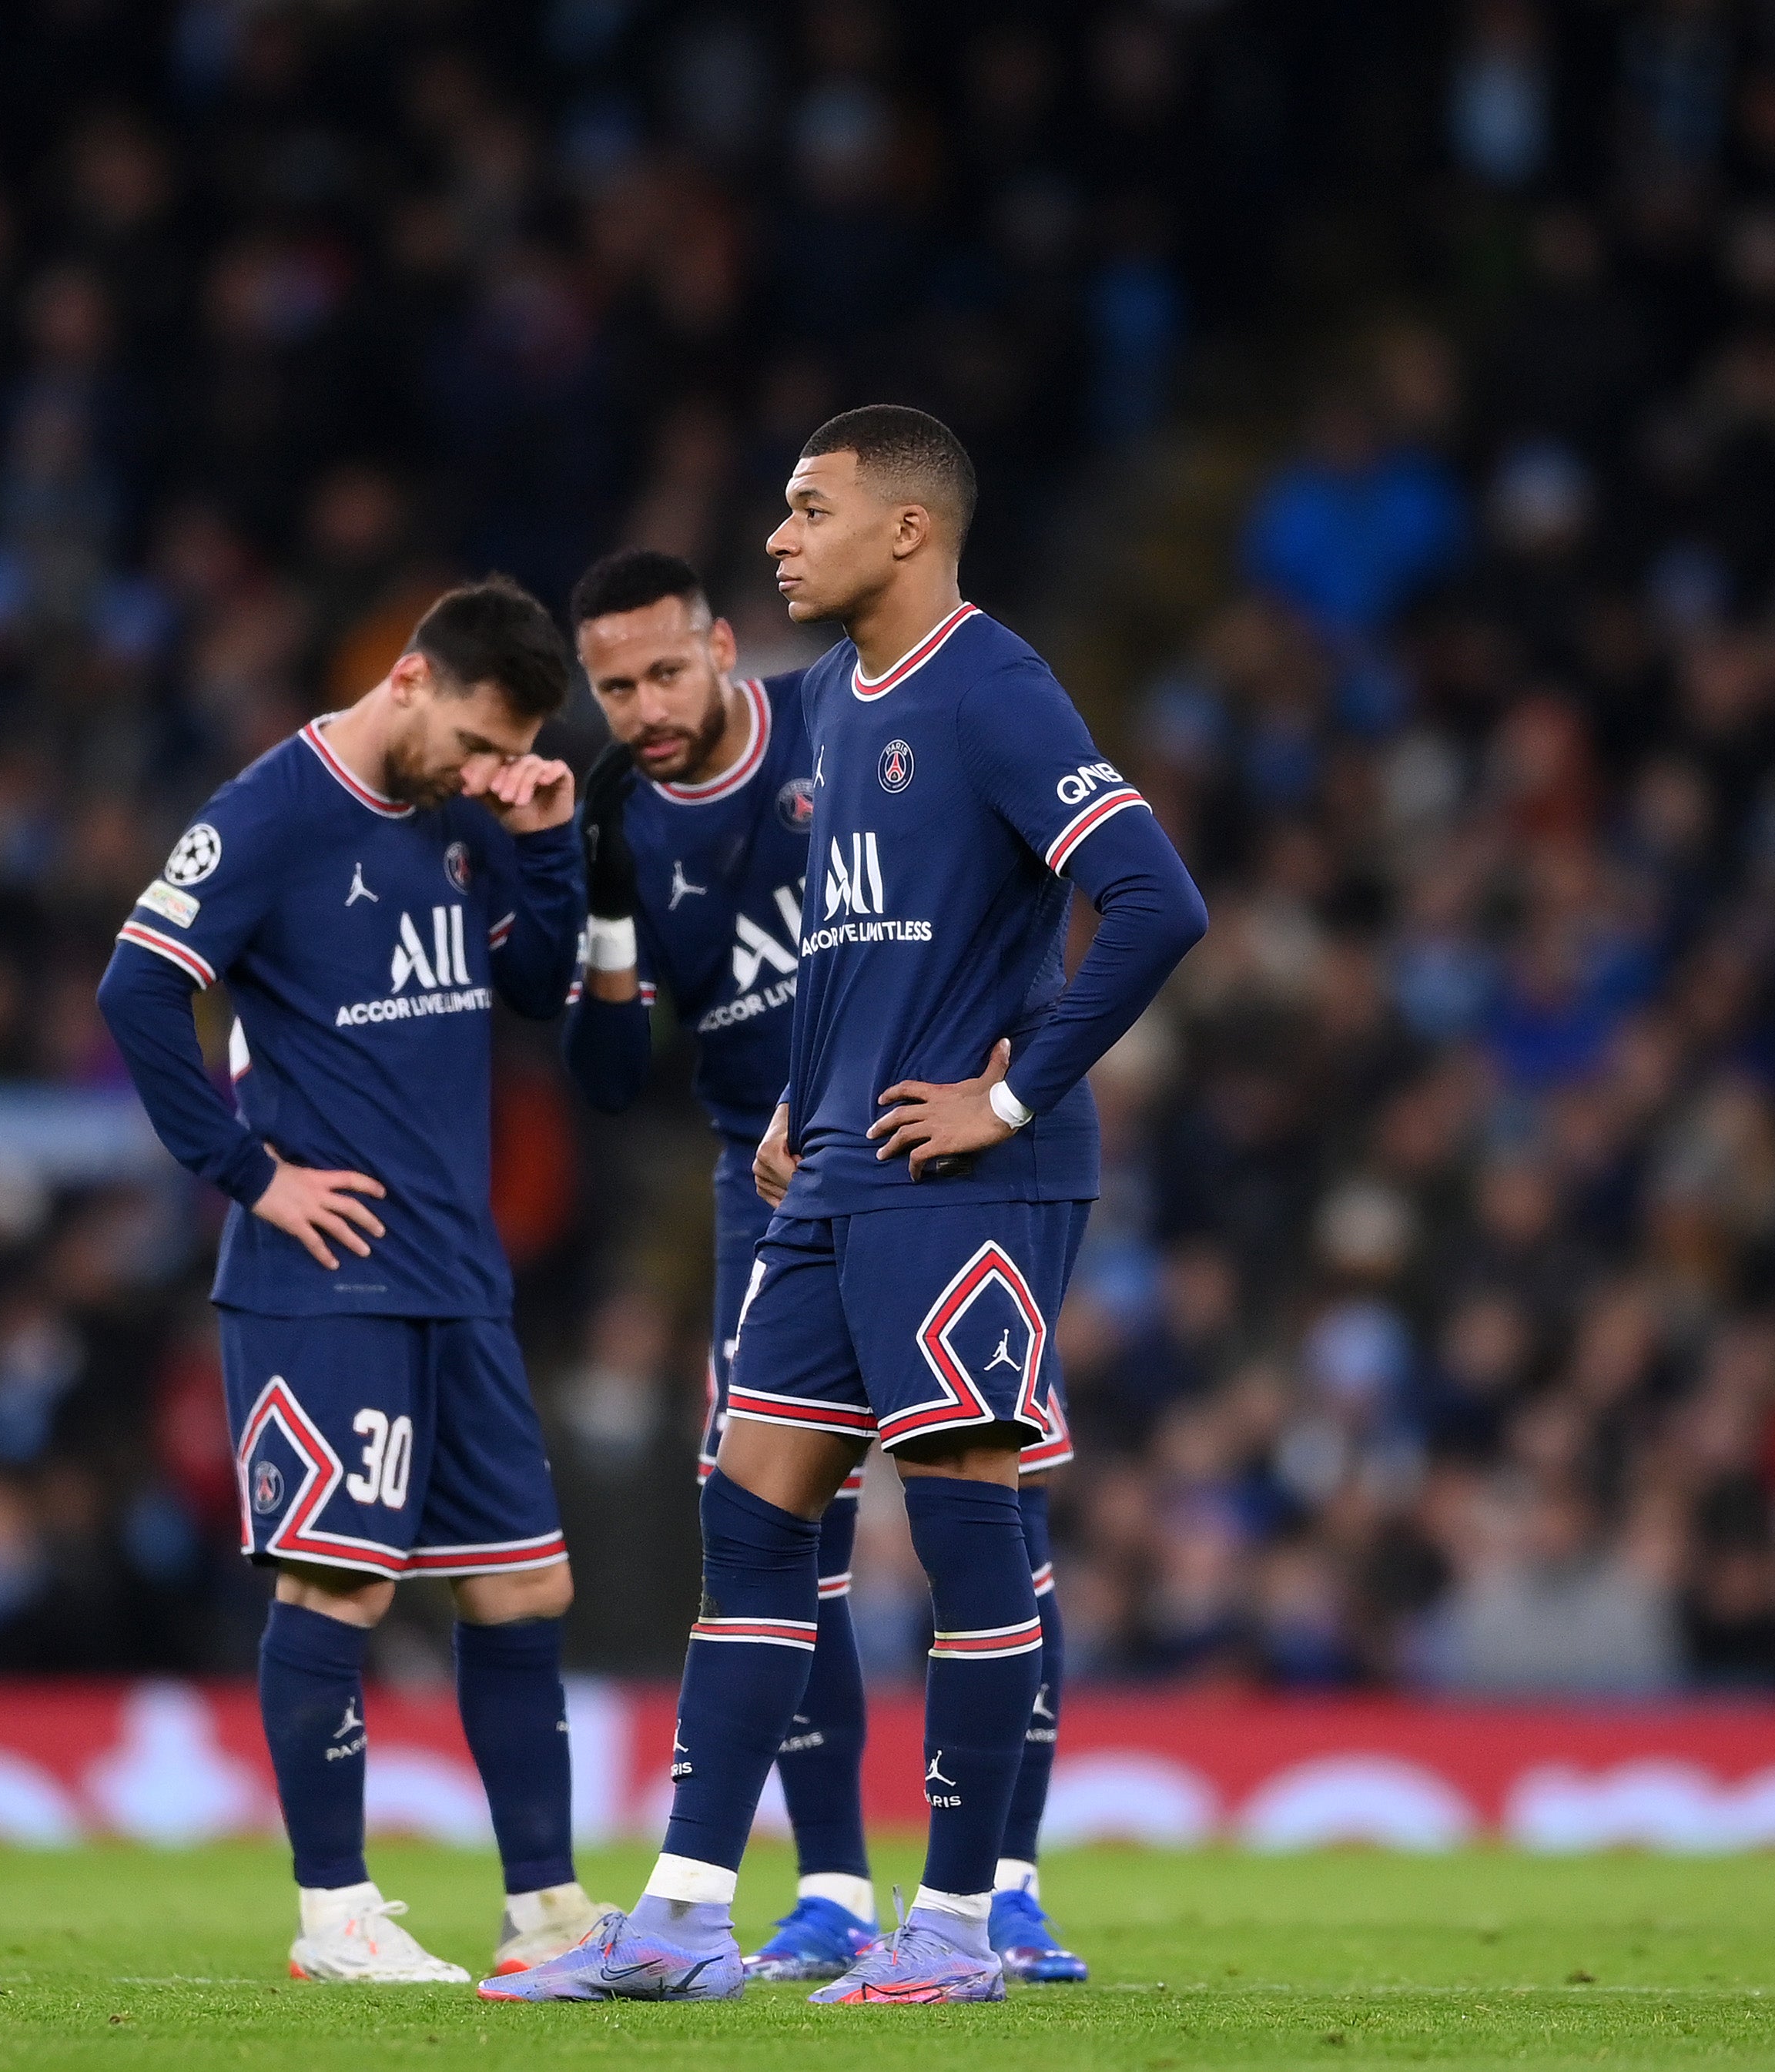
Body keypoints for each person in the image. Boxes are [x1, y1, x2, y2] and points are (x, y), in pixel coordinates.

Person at [491, 408, 1205, 2006]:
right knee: (749, 1515)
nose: (775, 534)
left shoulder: (991, 683)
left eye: (807, 508)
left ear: (904, 529)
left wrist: (1008, 1094)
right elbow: (846, 938)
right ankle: (682, 1916)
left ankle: (956, 1922)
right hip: (831, 1171)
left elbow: (1156, 897)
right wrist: (808, 1102)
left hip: (962, 1174)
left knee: (967, 1537)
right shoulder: (824, 706)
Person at [558, 546, 1090, 1984]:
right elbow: (611, 1072)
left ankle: (1003, 1887)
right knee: (771, 1521)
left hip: (921, 1155)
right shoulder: (620, 816)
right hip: (768, 1177)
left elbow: (1044, 892)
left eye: (666, 668)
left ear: (723, 645)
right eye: (613, 686)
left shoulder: (845, 716)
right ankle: (832, 1890)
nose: (646, 705)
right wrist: (602, 901)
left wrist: (1013, 1089)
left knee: (984, 1500)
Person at [96, 577, 602, 1984]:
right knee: (336, 1590)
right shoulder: (270, 811)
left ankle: (548, 1916)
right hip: (325, 1278)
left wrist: (546, 845)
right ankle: (335, 1915)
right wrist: (252, 1175)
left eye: (511, 754)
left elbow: (538, 987)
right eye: (481, 743)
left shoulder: (468, 817)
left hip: (458, 1271)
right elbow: (136, 987)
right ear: (409, 683)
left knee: (524, 1591)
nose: (490, 772)